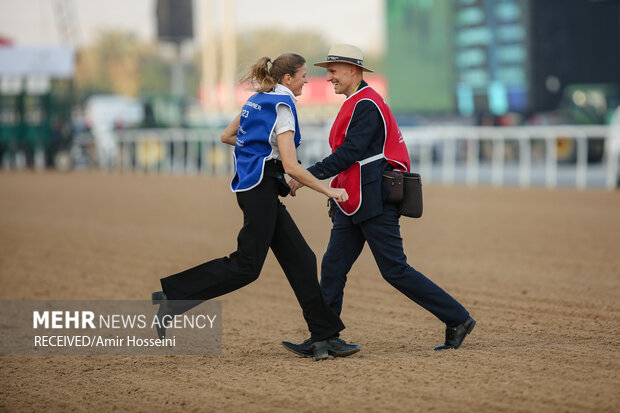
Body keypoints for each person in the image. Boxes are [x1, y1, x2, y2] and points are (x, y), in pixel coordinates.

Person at [152, 52, 360, 361]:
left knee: (302, 258)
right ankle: (171, 297)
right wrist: (328, 191)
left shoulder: (258, 99)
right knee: (246, 266)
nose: (307, 80)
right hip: (259, 191)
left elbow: (228, 136)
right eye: (303, 75)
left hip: (253, 188)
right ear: (288, 79)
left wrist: (261, 155)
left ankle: (323, 337)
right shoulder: (283, 107)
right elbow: (291, 166)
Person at [281, 45, 476, 356]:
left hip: (374, 199)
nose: (328, 77)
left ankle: (458, 318)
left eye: (333, 71)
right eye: (327, 71)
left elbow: (349, 154)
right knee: (332, 266)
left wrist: (305, 176)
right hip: (354, 200)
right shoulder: (356, 102)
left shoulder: (367, 104)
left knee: (394, 270)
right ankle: (325, 335)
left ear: (353, 71)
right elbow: (350, 158)